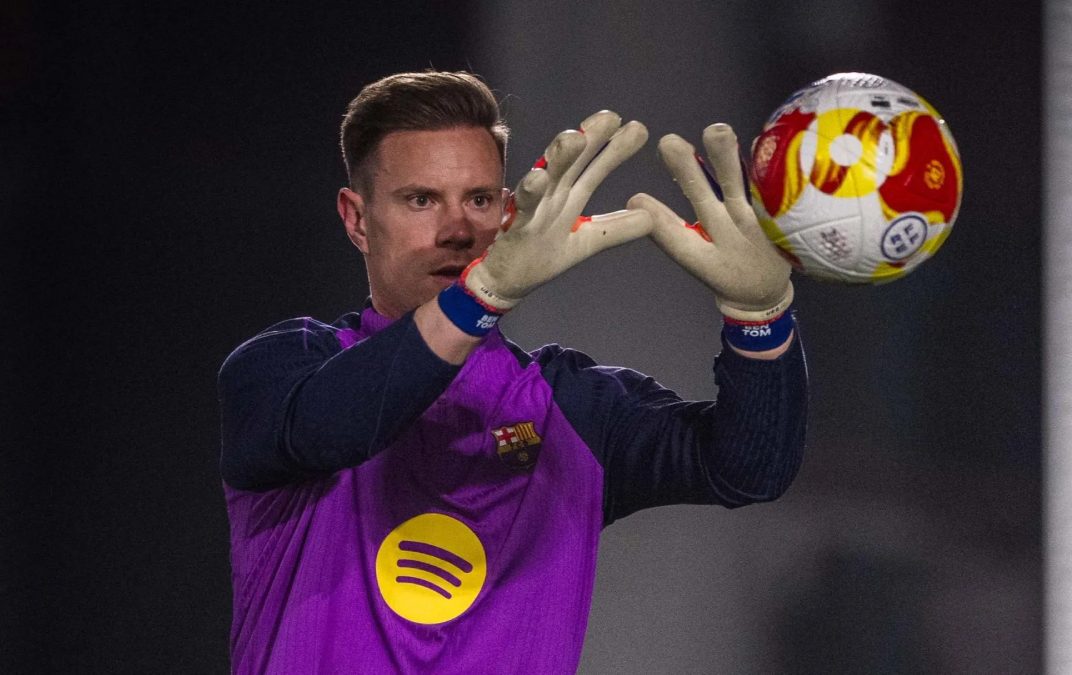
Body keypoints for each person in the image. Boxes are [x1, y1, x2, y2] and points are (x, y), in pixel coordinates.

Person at [218, 70, 807, 673]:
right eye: (421, 200)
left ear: (506, 213)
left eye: (479, 200)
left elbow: (748, 469)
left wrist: (759, 316)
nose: (457, 230)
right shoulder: (281, 370)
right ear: (357, 219)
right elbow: (336, 427)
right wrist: (482, 295)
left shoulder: (571, 408)